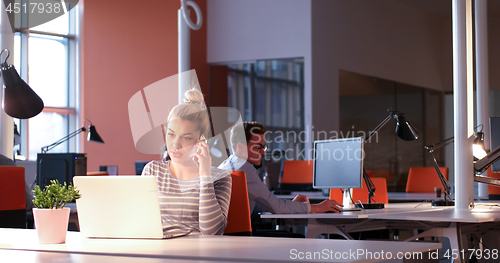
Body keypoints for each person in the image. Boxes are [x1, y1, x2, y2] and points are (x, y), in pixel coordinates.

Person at [141, 88, 232, 236]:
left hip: (198, 254)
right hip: (159, 251)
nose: (175, 145)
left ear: (201, 138)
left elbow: (212, 232)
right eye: (171, 134)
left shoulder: (220, 177)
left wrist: (205, 175)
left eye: (186, 137)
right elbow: (140, 221)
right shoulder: (152, 171)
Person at [218, 121, 342, 216]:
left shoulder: (226, 165)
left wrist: (291, 205)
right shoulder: (244, 169)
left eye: (263, 147)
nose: (262, 152)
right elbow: (276, 207)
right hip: (238, 238)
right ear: (240, 147)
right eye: (257, 147)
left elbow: (259, 205)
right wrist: (318, 207)